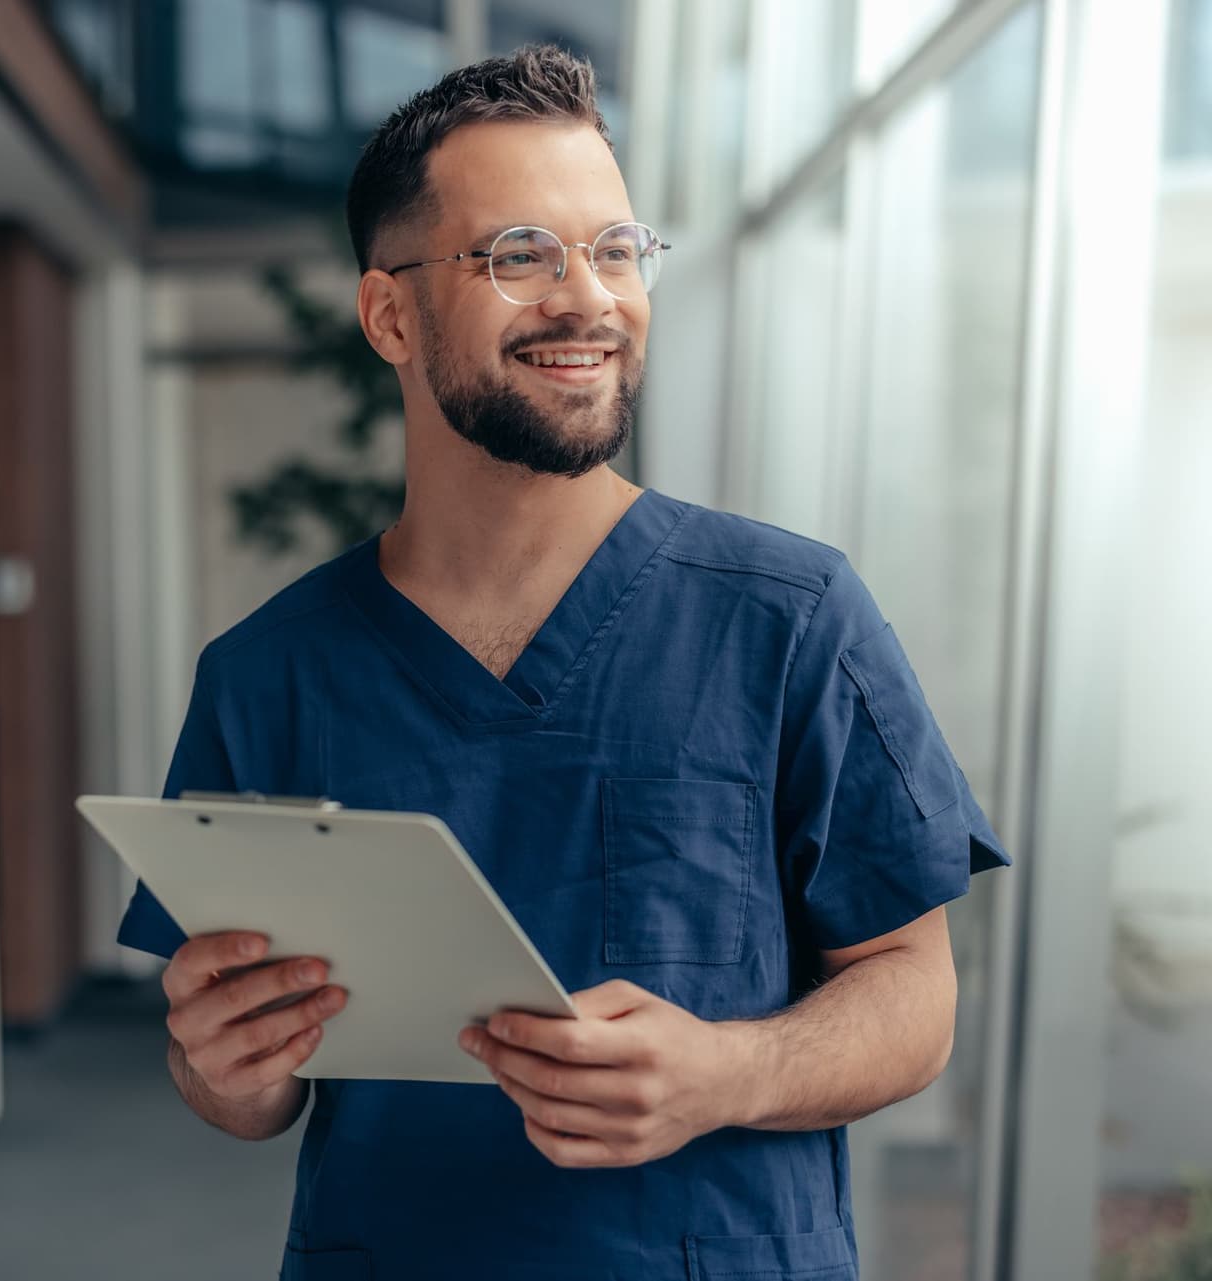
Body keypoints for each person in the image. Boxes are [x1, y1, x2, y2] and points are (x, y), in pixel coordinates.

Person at [117, 44, 1009, 1281]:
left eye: (616, 249)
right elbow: (245, 1092)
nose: (589, 298)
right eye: (522, 255)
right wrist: (222, 1068)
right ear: (389, 315)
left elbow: (915, 996)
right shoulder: (270, 673)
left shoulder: (791, 617)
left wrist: (724, 1074)